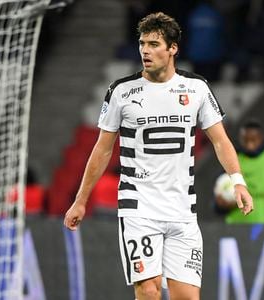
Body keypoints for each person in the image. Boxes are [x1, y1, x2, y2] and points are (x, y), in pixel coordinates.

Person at [64, 12, 253, 300]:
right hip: (139, 207)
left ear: (172, 48)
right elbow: (102, 149)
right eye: (142, 44)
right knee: (149, 291)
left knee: (187, 297)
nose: (145, 51)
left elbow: (220, 141)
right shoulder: (122, 92)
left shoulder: (196, 88)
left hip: (182, 210)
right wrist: (80, 200)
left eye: (153, 44)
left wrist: (238, 181)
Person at [215, 120, 264, 224]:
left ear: (261, 138)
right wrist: (221, 205)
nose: (250, 145)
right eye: (246, 140)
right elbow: (218, 202)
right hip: (236, 226)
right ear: (240, 139)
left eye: (253, 140)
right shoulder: (233, 158)